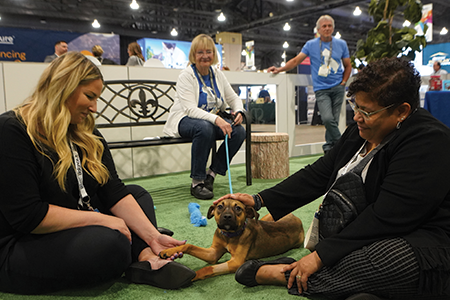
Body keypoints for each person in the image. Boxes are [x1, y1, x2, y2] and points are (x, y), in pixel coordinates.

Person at [217, 57, 450, 299]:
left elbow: (387, 216)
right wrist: (259, 199)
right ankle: (357, 288)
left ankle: (279, 274)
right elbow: (318, 174)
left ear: (401, 111)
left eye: (367, 112)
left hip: (420, 238)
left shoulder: (430, 141)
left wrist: (319, 257)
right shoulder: (361, 131)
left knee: (387, 261)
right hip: (367, 231)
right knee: (347, 254)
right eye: (355, 106)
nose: (356, 117)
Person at [0, 52, 195, 294]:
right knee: (110, 244)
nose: (94, 108)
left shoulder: (82, 129)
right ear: (64, 87)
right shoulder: (12, 130)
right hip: (22, 241)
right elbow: (29, 217)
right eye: (89, 97)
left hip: (71, 221)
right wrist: (105, 220)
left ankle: (145, 257)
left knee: (137, 194)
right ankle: (132, 254)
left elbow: (112, 189)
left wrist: (153, 236)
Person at [163, 34, 246, 200]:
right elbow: (190, 110)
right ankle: (197, 182)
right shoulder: (186, 76)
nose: (205, 56)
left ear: (214, 55)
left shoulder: (217, 74)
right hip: (184, 120)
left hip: (209, 121)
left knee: (238, 131)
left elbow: (233, 97)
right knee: (204, 127)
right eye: (200, 52)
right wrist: (217, 120)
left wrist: (239, 111)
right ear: (193, 55)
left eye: (208, 51)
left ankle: (211, 175)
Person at [268, 15, 352, 154]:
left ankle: (329, 149)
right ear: (318, 29)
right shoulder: (311, 45)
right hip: (321, 89)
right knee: (327, 119)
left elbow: (348, 65)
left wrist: (343, 82)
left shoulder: (341, 44)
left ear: (333, 28)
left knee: (334, 121)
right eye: (324, 26)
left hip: (338, 87)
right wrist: (279, 69)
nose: (327, 28)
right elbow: (295, 61)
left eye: (329, 26)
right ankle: (342, 146)